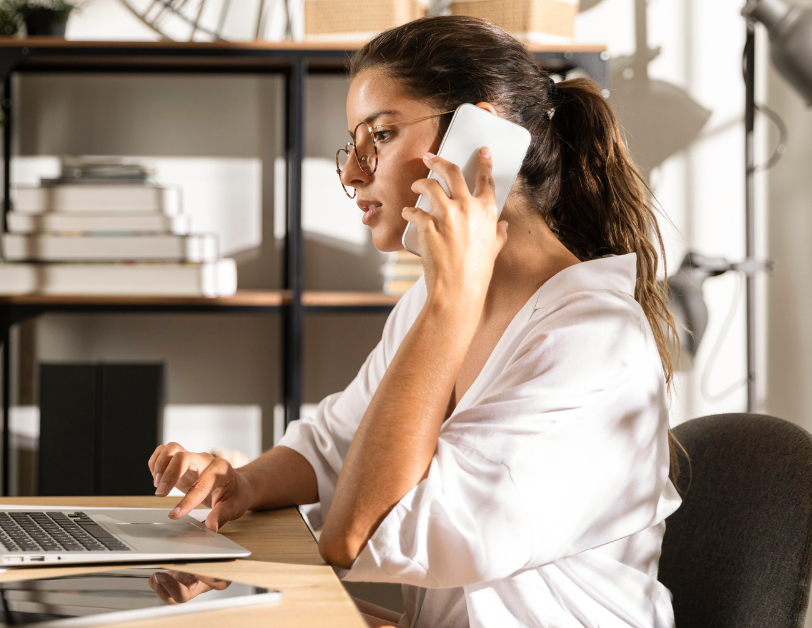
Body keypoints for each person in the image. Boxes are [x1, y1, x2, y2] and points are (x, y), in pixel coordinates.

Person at [147, 15, 683, 628]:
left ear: (483, 139)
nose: (352, 173)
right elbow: (336, 445)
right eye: (354, 144)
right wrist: (243, 484)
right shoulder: (428, 308)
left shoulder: (589, 339)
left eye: (381, 134)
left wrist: (451, 302)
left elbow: (362, 530)